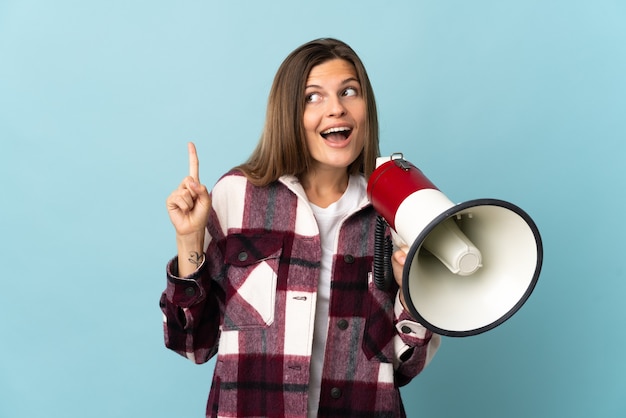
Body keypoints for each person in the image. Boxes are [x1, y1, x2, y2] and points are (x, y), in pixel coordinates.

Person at [161, 38, 441, 418]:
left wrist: (414, 290)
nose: (336, 108)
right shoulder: (235, 196)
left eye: (349, 91)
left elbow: (406, 368)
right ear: (288, 112)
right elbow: (192, 345)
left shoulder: (399, 210)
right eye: (313, 97)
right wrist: (189, 240)